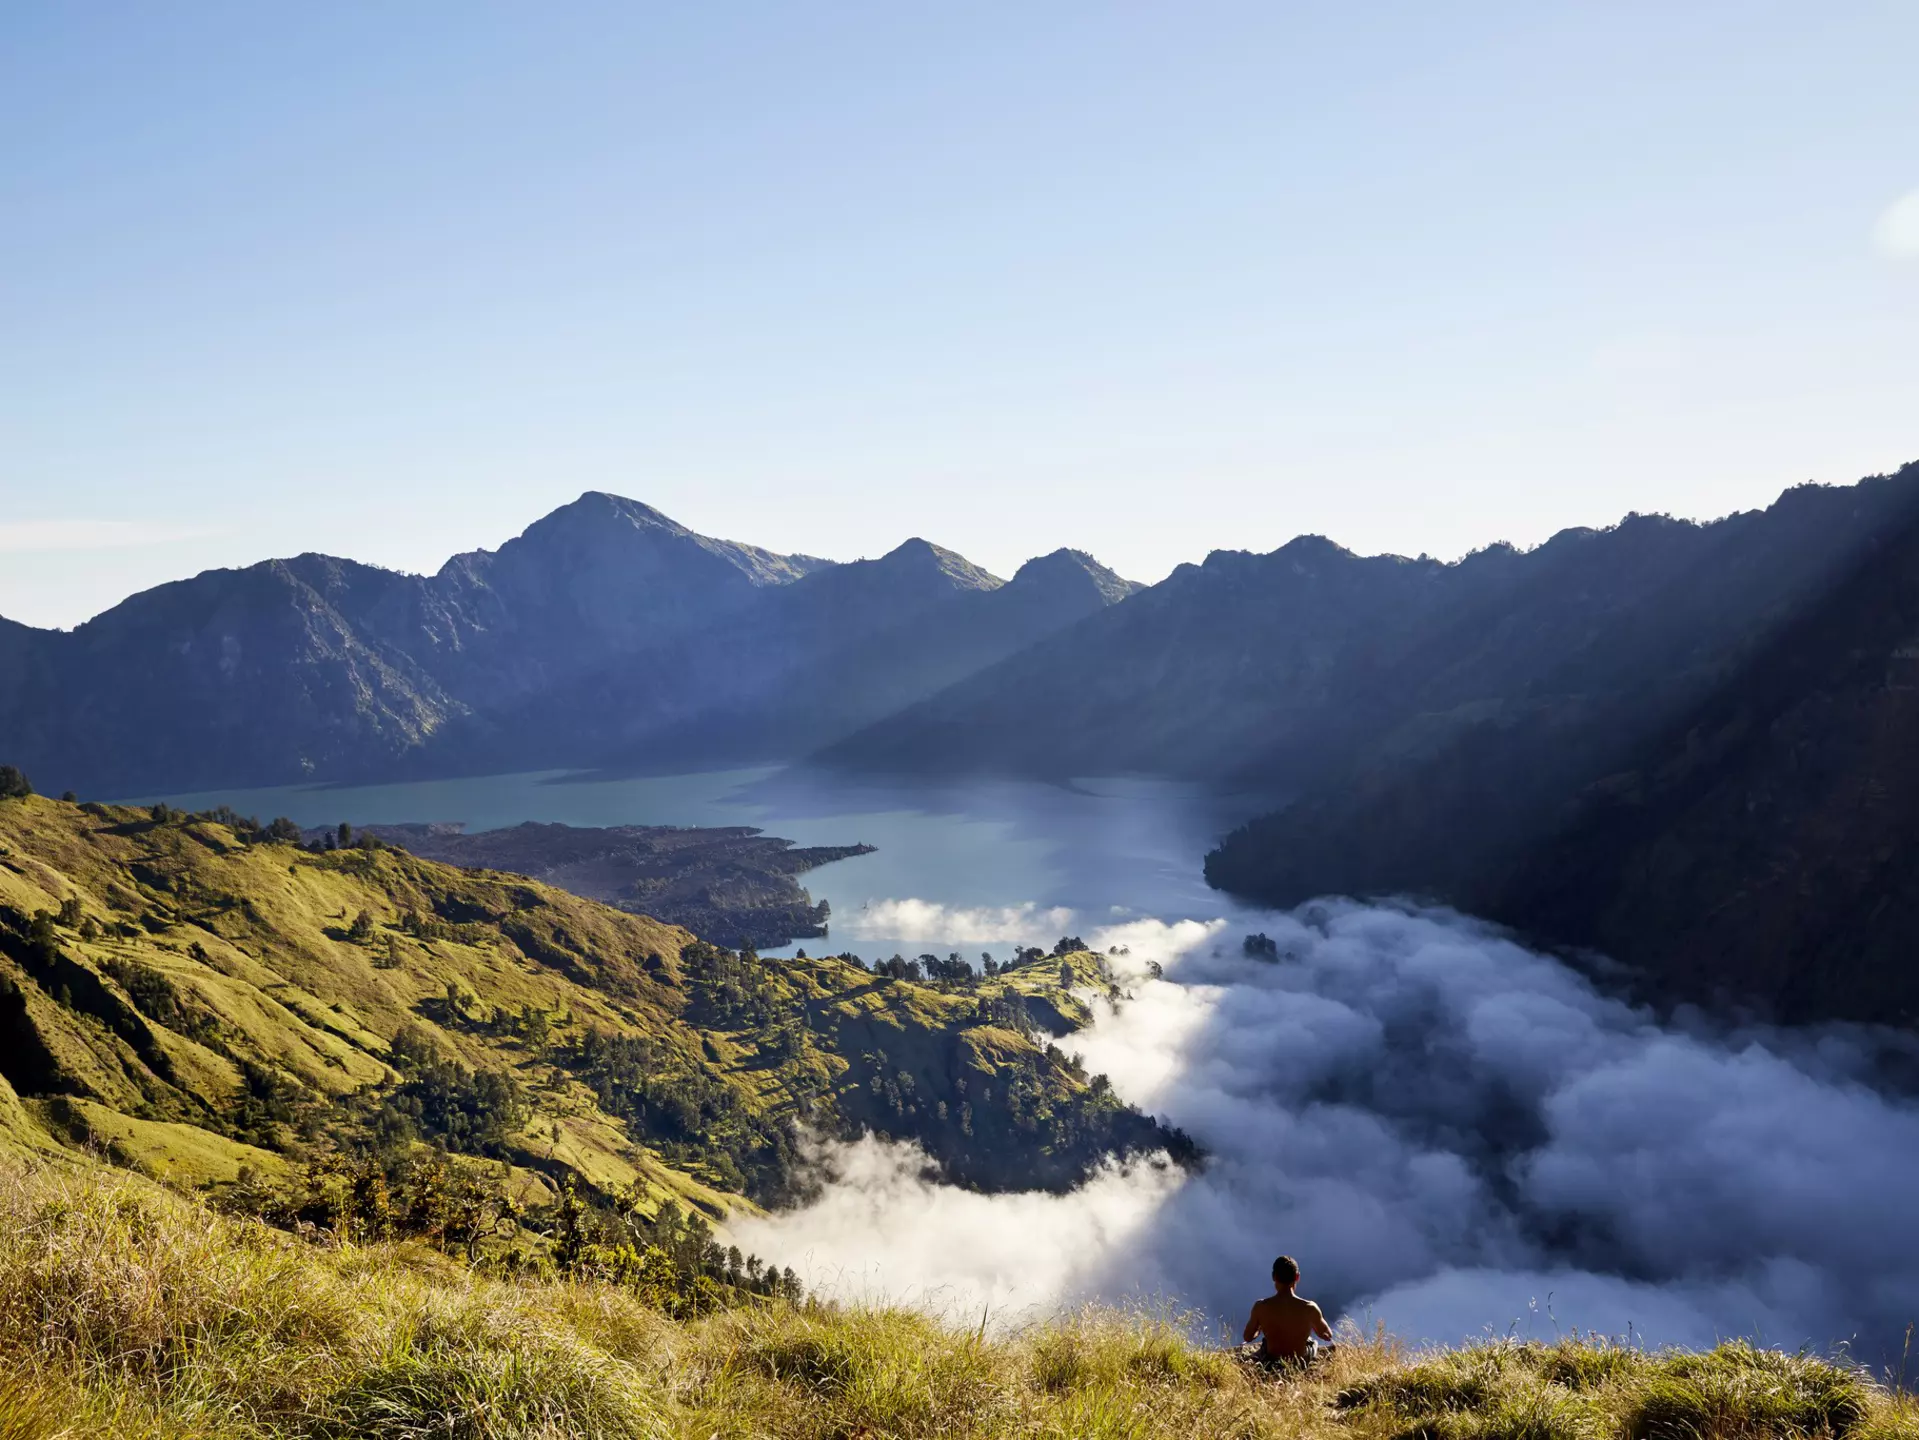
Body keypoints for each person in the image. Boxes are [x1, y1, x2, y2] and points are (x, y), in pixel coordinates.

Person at [1242, 1255, 1334, 1369]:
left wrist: (1259, 1328)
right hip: (1299, 1363)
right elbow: (1327, 1335)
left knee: (1264, 1344)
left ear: (1274, 1276)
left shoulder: (1260, 1307)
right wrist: (1311, 1326)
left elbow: (1247, 1337)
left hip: (1271, 1364)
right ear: (1297, 1277)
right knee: (1312, 1343)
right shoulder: (1310, 1308)